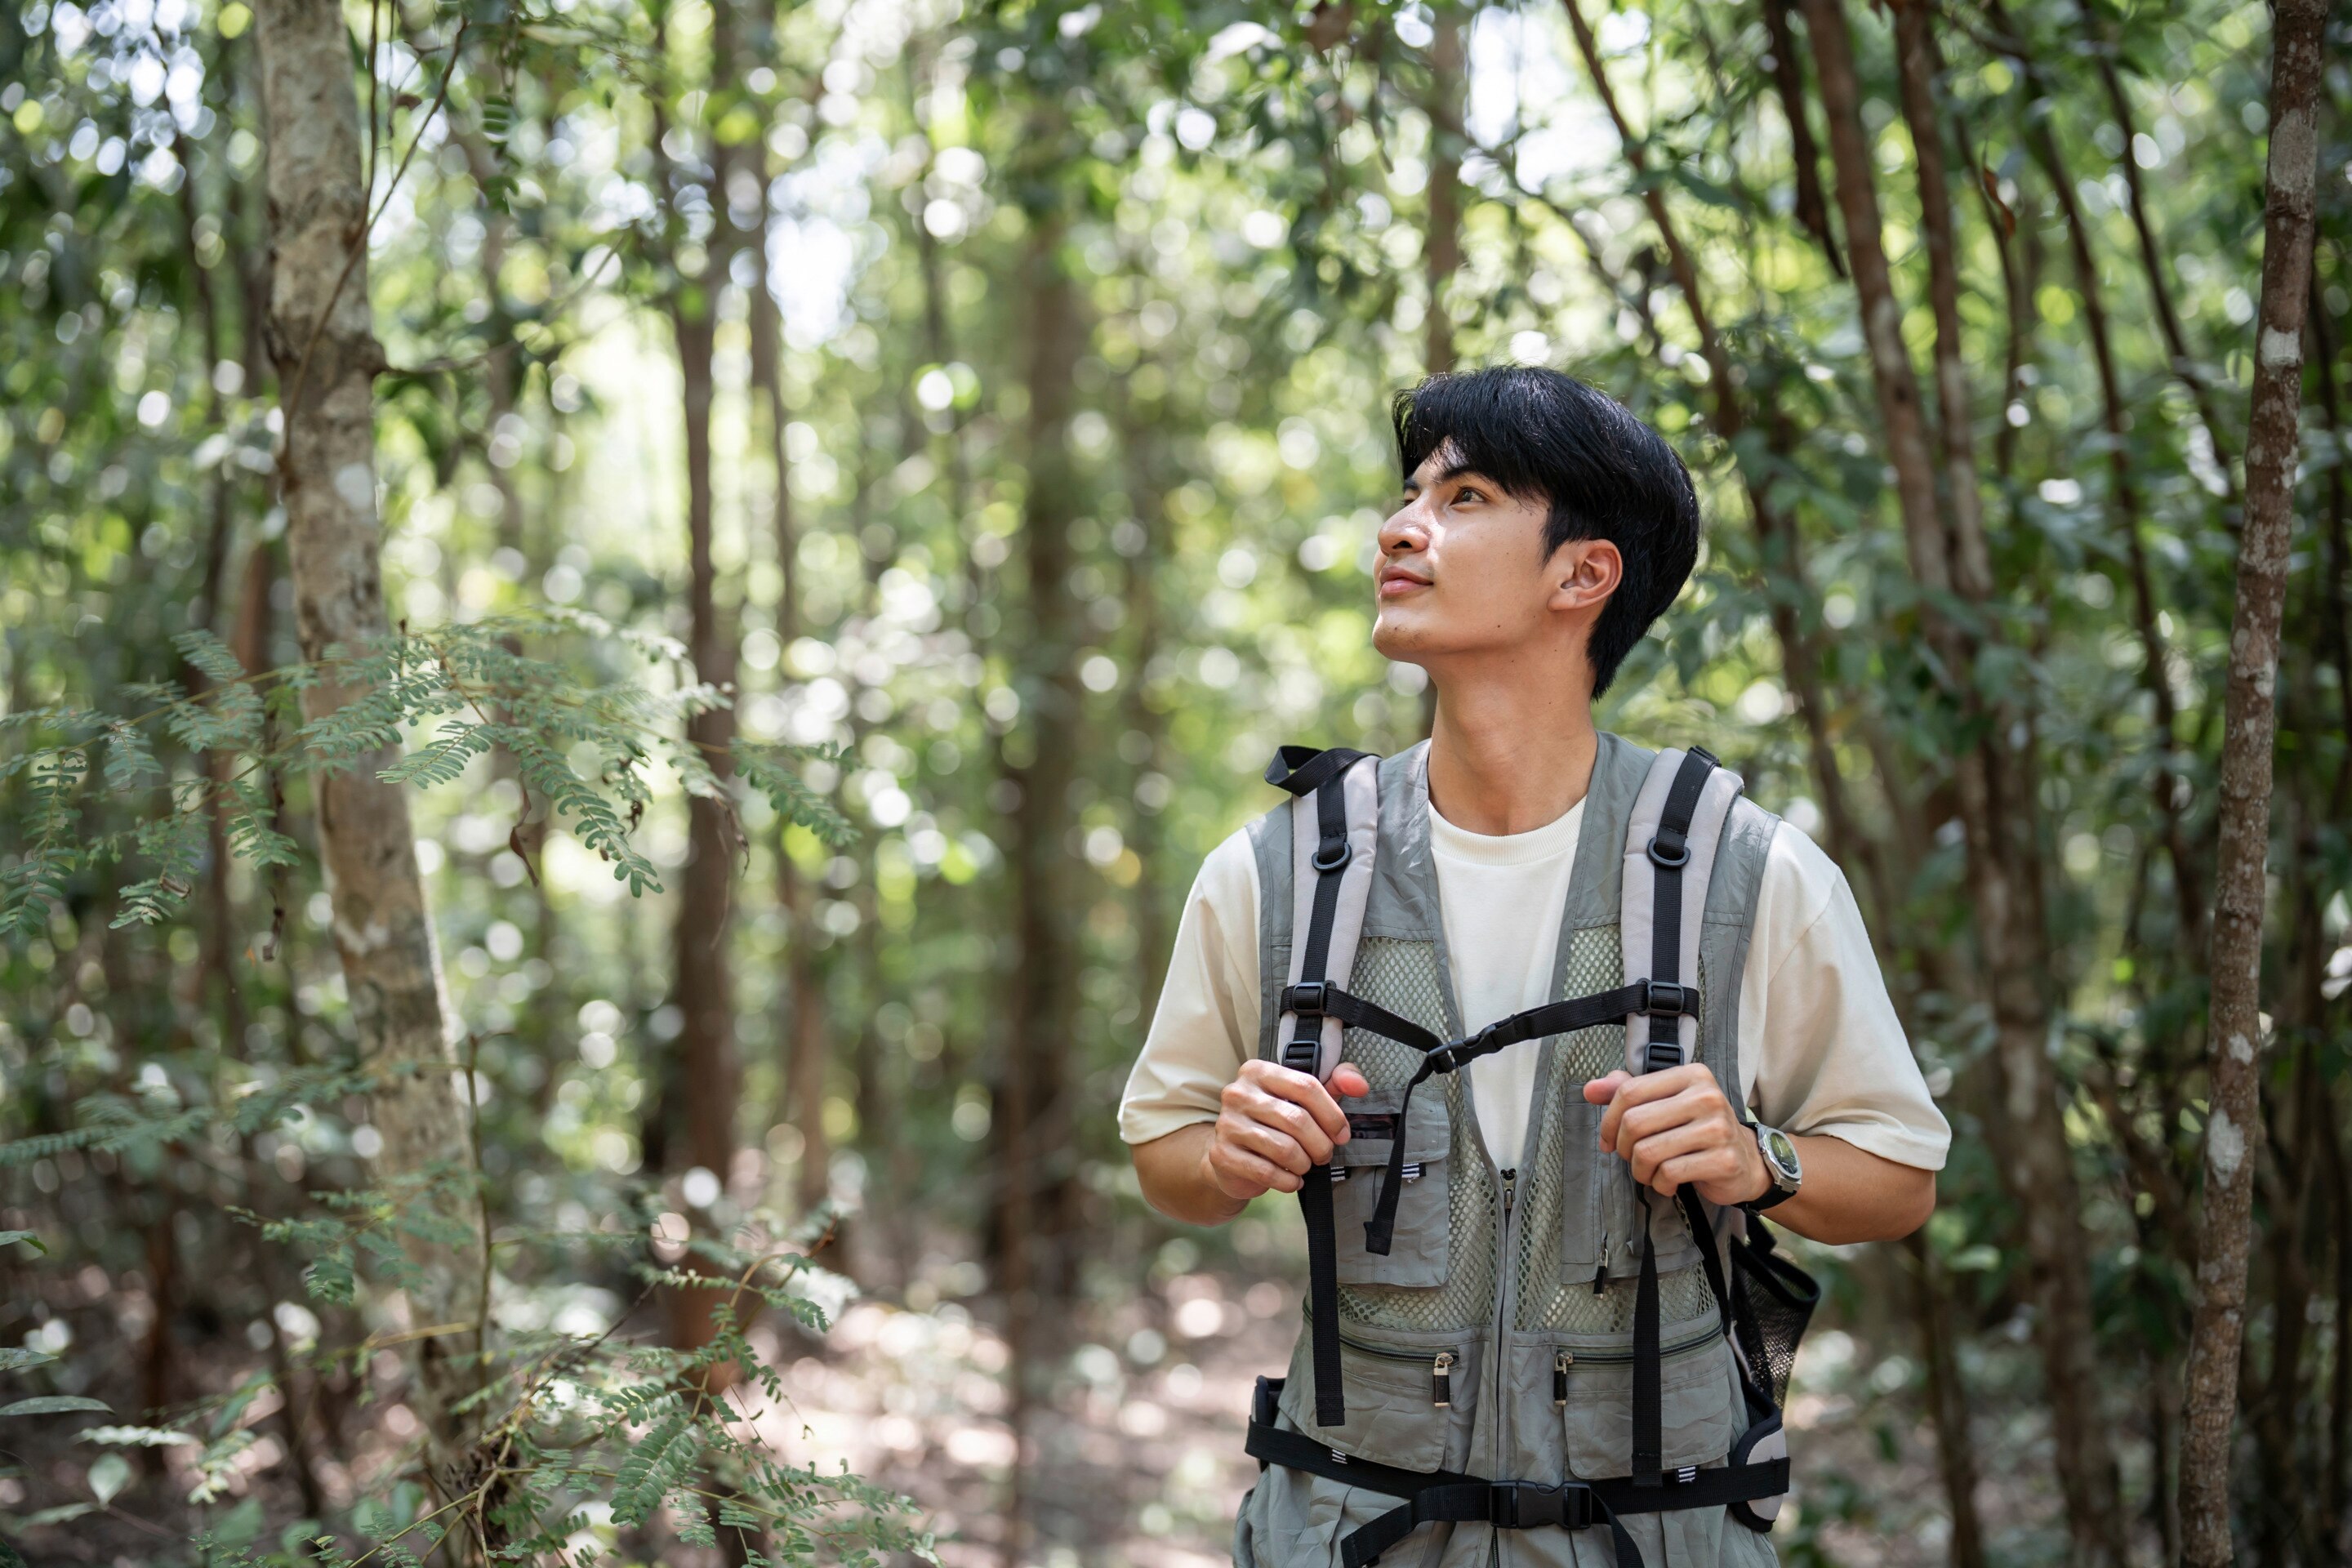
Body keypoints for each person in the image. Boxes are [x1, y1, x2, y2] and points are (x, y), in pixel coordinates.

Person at [1118, 366, 1949, 1567]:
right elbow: (1164, 1155)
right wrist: (1223, 1151)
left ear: (1584, 574)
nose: (1401, 528)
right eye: (1408, 496)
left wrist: (1755, 1159)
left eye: (1464, 499)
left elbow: (1900, 1176)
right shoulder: (1283, 870)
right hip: (1350, 1532)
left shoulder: (1747, 873)